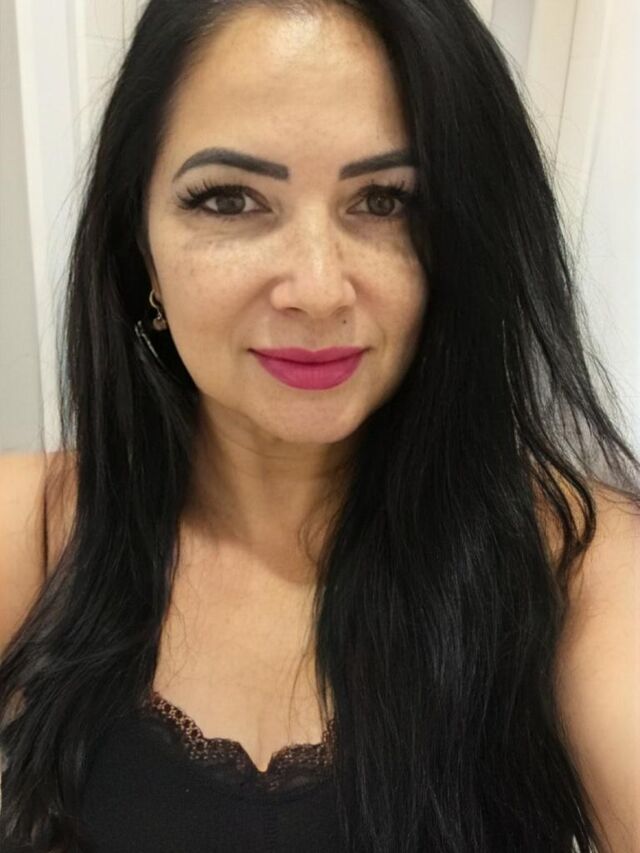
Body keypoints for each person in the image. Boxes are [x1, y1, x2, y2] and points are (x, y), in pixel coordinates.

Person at [0, 0, 638, 850]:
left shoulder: (580, 567)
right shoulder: (35, 529)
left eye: (384, 200)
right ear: (137, 244)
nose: (316, 289)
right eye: (230, 199)